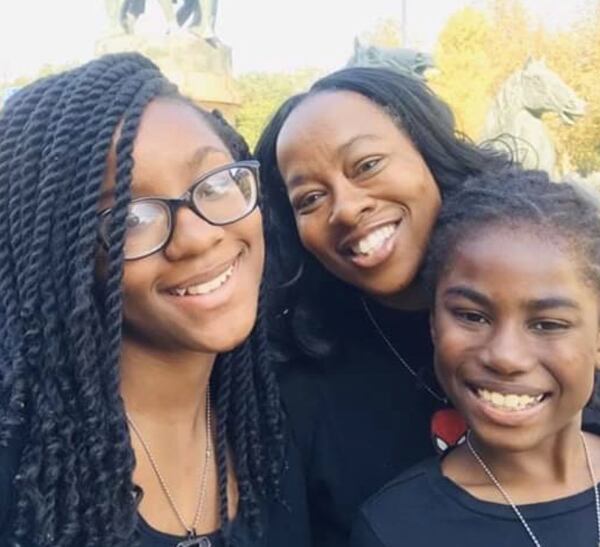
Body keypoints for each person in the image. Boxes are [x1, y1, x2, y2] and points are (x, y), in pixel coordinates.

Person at [0, 53, 309, 547]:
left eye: (216, 182)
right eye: (130, 218)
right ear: (65, 257)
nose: (196, 237)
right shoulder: (21, 462)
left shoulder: (274, 427)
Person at [254, 66, 510, 547]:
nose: (346, 208)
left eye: (367, 165)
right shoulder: (299, 391)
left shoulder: (559, 307)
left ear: (428, 154)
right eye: (310, 198)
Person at [351, 168, 600, 547]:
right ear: (434, 324)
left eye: (548, 324)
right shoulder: (396, 529)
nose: (505, 357)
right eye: (472, 316)